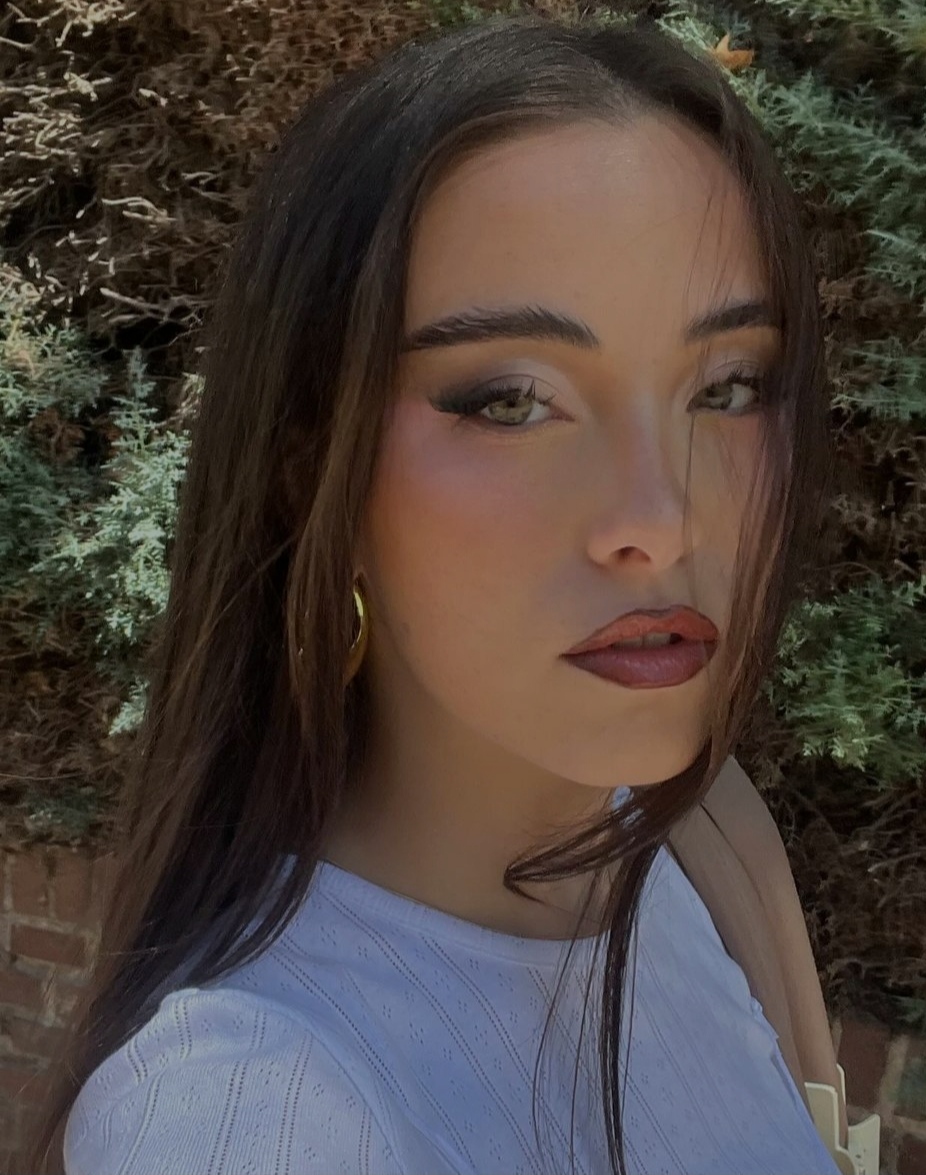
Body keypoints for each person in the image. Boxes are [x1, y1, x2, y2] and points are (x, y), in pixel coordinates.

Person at [27, 12, 842, 1175]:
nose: (660, 518)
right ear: (313, 468)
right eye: (509, 400)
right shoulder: (252, 1108)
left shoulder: (697, 840)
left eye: (726, 385)